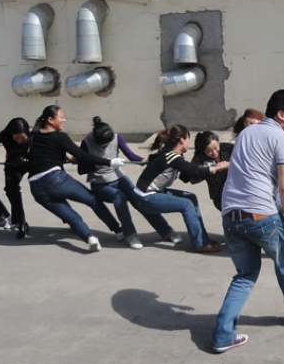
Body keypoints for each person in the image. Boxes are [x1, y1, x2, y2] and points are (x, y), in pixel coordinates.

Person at [212, 89, 284, 353]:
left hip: (230, 215)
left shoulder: (246, 134)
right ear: (282, 114)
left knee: (245, 274)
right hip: (261, 215)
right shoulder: (282, 139)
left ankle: (223, 335)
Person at [26, 105, 122, 252]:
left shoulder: (34, 136)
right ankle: (118, 230)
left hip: (37, 189)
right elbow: (82, 155)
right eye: (61, 117)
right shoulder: (60, 137)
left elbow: (44, 153)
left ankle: (90, 238)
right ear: (50, 120)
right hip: (55, 179)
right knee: (92, 200)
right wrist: (108, 162)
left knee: (71, 216)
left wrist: (66, 157)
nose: (64, 120)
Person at [132, 124, 224, 253]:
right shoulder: (172, 157)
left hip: (152, 193)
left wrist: (204, 168)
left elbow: (187, 177)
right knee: (186, 204)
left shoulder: (174, 156)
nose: (188, 142)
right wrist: (217, 168)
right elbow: (195, 171)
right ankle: (200, 244)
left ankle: (203, 237)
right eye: (188, 139)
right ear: (182, 139)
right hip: (144, 197)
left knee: (191, 197)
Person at [78, 116, 152, 250]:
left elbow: (131, 155)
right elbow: (81, 169)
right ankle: (131, 235)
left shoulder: (117, 138)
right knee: (120, 197)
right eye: (104, 144)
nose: (107, 146)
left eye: (109, 143)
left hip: (119, 177)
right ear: (96, 140)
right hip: (100, 183)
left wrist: (145, 161)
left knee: (138, 197)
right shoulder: (86, 143)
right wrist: (97, 165)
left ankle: (166, 230)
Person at [0, 118, 31, 239]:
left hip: (31, 162)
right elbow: (13, 154)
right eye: (16, 138)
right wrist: (18, 160)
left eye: (22, 137)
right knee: (10, 189)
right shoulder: (7, 138)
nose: (19, 140)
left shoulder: (34, 137)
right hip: (14, 162)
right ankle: (20, 222)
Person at [190, 131, 232, 211]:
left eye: (216, 148)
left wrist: (230, 164)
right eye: (209, 151)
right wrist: (212, 169)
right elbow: (193, 178)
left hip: (237, 190)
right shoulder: (200, 158)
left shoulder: (227, 148)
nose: (214, 153)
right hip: (219, 196)